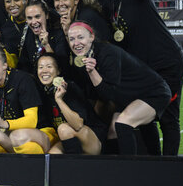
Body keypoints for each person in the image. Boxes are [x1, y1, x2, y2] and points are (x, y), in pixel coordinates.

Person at [101, 0, 183, 156]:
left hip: (167, 64)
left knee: (168, 118)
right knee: (144, 118)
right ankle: (154, 162)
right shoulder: (110, 3)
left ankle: (170, 167)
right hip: (145, 70)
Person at [66, 22, 171, 155]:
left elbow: (108, 95)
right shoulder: (85, 58)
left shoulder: (108, 53)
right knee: (113, 132)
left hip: (153, 92)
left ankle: (130, 166)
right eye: (72, 39)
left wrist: (92, 72)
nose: (76, 43)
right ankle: (115, 165)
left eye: (80, 37)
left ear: (91, 37)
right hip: (130, 97)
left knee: (123, 123)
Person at [36, 53, 105, 154]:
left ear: (58, 71)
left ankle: (74, 163)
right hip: (69, 140)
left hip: (93, 140)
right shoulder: (44, 93)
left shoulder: (70, 88)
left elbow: (78, 125)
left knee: (63, 129)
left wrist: (59, 100)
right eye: (40, 67)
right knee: (53, 155)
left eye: (49, 66)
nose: (44, 71)